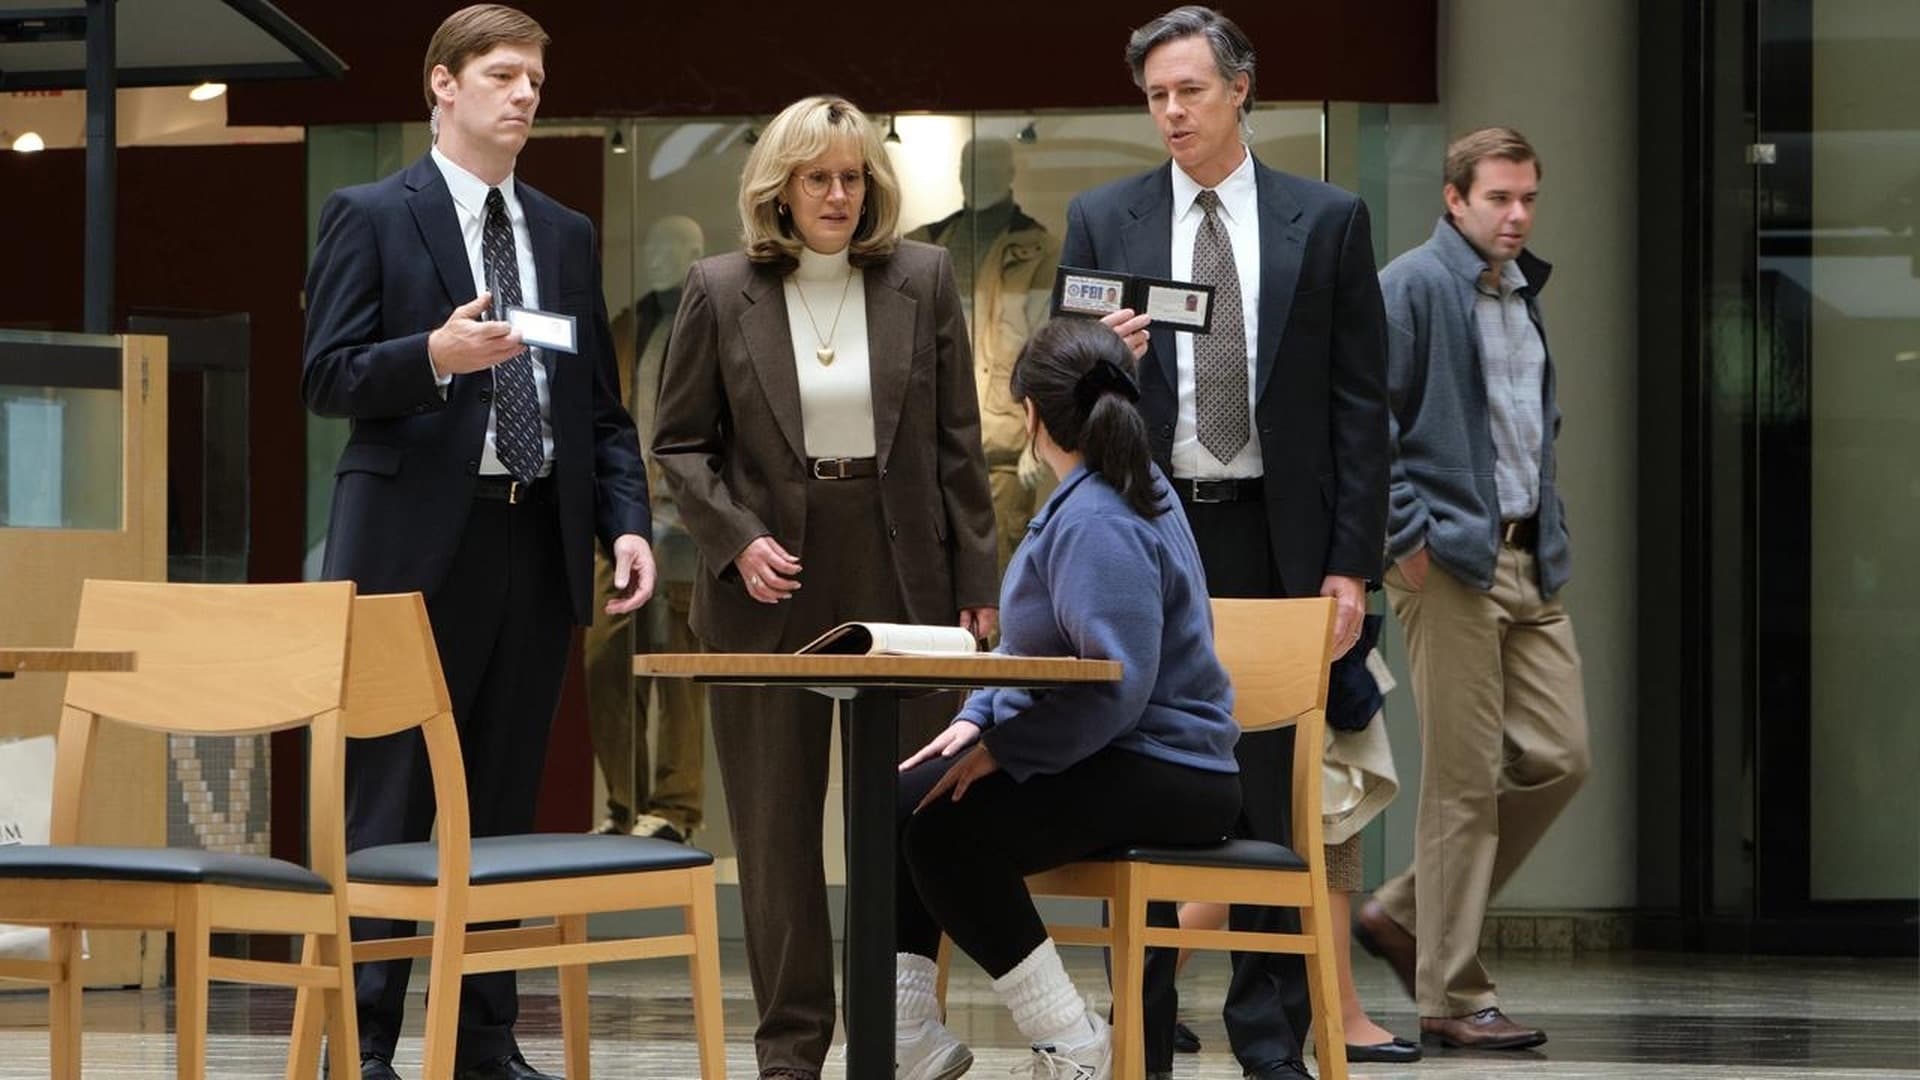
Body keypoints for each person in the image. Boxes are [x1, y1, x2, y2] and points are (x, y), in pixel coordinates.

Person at [302, 7, 654, 1079]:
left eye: (536, 78)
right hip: (408, 551)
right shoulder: (371, 213)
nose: (526, 94)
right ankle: (364, 1043)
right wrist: (435, 355)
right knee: (390, 794)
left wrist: (626, 523)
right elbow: (327, 376)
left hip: (533, 539)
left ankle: (482, 1042)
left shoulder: (564, 232)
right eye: (503, 74)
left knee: (504, 798)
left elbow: (598, 408)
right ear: (442, 85)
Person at [1060, 7, 1389, 1078]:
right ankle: (1142, 1034)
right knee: (1139, 777)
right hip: (1148, 532)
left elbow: (1360, 408)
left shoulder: (1326, 220)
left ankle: (1270, 1039)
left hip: (1274, 536)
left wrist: (1351, 564)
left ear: (1241, 88)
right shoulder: (1102, 218)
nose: (1171, 112)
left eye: (1189, 91)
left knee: (1270, 796)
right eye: (1156, 96)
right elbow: (1060, 391)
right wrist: (1100, 361)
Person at [649, 94, 998, 1080]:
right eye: (818, 178)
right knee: (776, 826)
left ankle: (898, 1031)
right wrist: (736, 541)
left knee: (911, 812)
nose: (839, 195)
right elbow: (679, 445)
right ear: (781, 188)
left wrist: (979, 577)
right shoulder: (719, 289)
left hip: (903, 569)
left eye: (853, 177)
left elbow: (958, 443)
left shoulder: (924, 277)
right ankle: (791, 1052)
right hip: (769, 581)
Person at [891, 317, 1242, 1080]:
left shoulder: (1098, 520)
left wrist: (1005, 750)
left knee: (946, 835)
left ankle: (1075, 1045)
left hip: (1171, 770)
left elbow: (1117, 689)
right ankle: (906, 1032)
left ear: (1031, 417)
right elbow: (1034, 654)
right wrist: (976, 720)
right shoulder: (1112, 491)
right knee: (903, 799)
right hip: (1131, 752)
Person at [1355, 126, 1589, 1052]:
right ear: (1454, 199)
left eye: (1528, 197)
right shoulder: (1411, 286)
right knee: (1461, 783)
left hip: (1531, 559)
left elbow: (1531, 428)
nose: (1517, 214)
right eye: (1498, 197)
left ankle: (1406, 910)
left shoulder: (1522, 291)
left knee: (1562, 757)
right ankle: (1453, 995)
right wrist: (1406, 538)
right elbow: (1365, 423)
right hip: (1449, 562)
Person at [1166, 617, 1420, 1065]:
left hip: (1263, 623)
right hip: (1291, 619)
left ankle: (1149, 980)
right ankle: (1340, 1014)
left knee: (1286, 838)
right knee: (1322, 823)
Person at [582, 215, 708, 842]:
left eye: (672, 246)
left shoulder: (709, 321)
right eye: (652, 244)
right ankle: (624, 802)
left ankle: (677, 808)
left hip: (683, 521)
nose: (658, 255)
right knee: (605, 655)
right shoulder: (627, 324)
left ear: (696, 254)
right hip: (623, 518)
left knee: (679, 667)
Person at [907, 137, 1061, 573]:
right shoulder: (924, 246)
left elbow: (1047, 351)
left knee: (996, 578)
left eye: (991, 165)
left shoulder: (1039, 248)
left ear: (1010, 173)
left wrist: (1039, 439)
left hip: (1003, 445)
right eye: (970, 166)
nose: (978, 175)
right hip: (931, 444)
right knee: (930, 574)